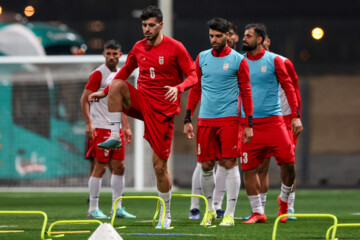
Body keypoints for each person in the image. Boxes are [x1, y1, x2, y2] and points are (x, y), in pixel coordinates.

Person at [88, 6, 197, 229]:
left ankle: (166, 213)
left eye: (151, 25)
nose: (146, 29)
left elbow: (193, 75)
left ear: (161, 25)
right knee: (118, 85)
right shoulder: (138, 47)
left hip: (163, 111)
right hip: (142, 101)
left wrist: (179, 87)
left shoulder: (176, 48)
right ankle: (114, 134)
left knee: (159, 167)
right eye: (144, 25)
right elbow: (123, 72)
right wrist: (105, 91)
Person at [184, 18, 253, 227]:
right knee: (206, 166)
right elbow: (195, 89)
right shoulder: (202, 57)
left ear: (228, 37)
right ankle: (210, 210)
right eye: (211, 36)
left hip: (229, 120)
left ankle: (230, 214)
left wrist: (249, 123)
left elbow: (246, 91)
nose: (214, 40)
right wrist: (188, 118)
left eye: (218, 36)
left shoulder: (237, 60)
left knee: (230, 163)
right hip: (205, 120)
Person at [240, 23, 303, 224]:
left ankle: (284, 201)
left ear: (259, 40)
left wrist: (295, 115)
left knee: (289, 163)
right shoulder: (238, 61)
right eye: (244, 35)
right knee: (249, 169)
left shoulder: (275, 61)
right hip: (248, 124)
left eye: (248, 36)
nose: (244, 39)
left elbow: (290, 88)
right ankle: (258, 212)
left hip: (274, 122)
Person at [80, 40, 136, 219]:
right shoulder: (98, 74)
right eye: (108, 53)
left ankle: (117, 208)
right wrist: (89, 123)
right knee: (100, 167)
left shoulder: (121, 74)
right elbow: (84, 99)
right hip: (100, 127)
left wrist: (126, 127)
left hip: (115, 128)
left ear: (121, 55)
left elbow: (118, 102)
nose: (112, 57)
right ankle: (93, 208)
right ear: (104, 54)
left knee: (119, 167)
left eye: (115, 53)